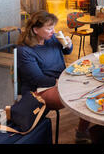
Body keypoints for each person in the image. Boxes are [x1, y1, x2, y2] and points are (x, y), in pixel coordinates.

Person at [17, 11, 90, 143]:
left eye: (53, 27)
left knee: (90, 85)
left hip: (60, 81)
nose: (53, 31)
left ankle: (82, 131)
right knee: (84, 93)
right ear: (35, 30)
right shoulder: (24, 51)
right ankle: (82, 131)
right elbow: (37, 79)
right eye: (49, 28)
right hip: (39, 90)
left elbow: (66, 51)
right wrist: (62, 82)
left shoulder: (50, 39)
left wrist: (68, 45)